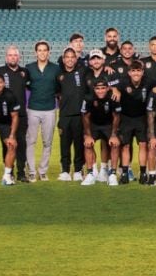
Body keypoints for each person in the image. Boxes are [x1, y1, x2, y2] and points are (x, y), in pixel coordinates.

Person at [0, 46, 31, 182]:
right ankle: (9, 172)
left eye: (15, 55)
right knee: (7, 144)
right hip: (5, 115)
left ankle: (21, 173)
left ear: (19, 57)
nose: (12, 57)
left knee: (21, 143)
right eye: (10, 55)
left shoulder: (24, 72)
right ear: (6, 57)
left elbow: (30, 86)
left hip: (21, 115)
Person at [111, 61, 154, 184]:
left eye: (138, 71)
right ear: (129, 72)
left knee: (143, 145)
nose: (136, 73)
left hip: (141, 118)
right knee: (125, 146)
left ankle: (143, 173)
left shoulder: (149, 82)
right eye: (133, 71)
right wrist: (114, 89)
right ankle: (124, 173)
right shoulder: (123, 82)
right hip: (126, 118)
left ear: (142, 72)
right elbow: (110, 85)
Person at [25, 40, 61, 182]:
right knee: (31, 141)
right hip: (33, 108)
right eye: (39, 50)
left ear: (48, 52)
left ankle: (43, 171)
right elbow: (27, 85)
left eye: (44, 50)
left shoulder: (55, 68)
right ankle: (31, 171)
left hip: (50, 109)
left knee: (47, 142)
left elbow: (59, 87)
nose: (42, 53)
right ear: (35, 52)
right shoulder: (29, 68)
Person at [56, 48, 88, 181]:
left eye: (72, 57)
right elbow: (57, 93)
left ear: (75, 59)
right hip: (64, 115)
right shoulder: (58, 75)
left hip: (79, 115)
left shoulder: (82, 71)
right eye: (67, 57)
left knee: (79, 144)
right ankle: (65, 170)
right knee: (64, 144)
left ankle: (78, 170)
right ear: (63, 59)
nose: (69, 59)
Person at [82, 81, 117, 186]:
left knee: (115, 144)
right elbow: (85, 117)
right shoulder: (88, 98)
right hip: (94, 125)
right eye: (97, 88)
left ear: (107, 88)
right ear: (94, 89)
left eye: (103, 88)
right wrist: (88, 136)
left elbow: (116, 117)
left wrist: (114, 135)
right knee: (87, 144)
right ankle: (90, 174)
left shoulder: (113, 98)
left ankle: (113, 174)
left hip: (108, 125)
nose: (100, 91)